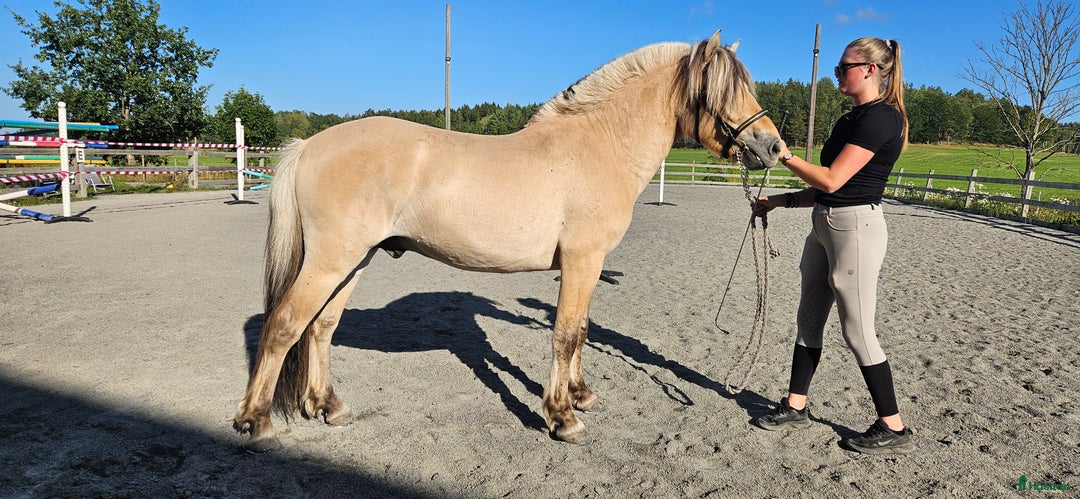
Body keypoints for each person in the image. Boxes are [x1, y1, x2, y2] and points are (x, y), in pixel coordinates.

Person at [750, 37, 913, 454]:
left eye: (844, 68)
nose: (837, 74)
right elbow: (827, 188)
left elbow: (832, 181)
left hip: (856, 229)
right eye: (837, 68)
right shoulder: (850, 119)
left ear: (871, 70)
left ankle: (892, 427)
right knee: (809, 317)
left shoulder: (881, 119)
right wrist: (781, 201)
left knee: (857, 330)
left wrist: (782, 155)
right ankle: (795, 405)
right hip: (826, 224)